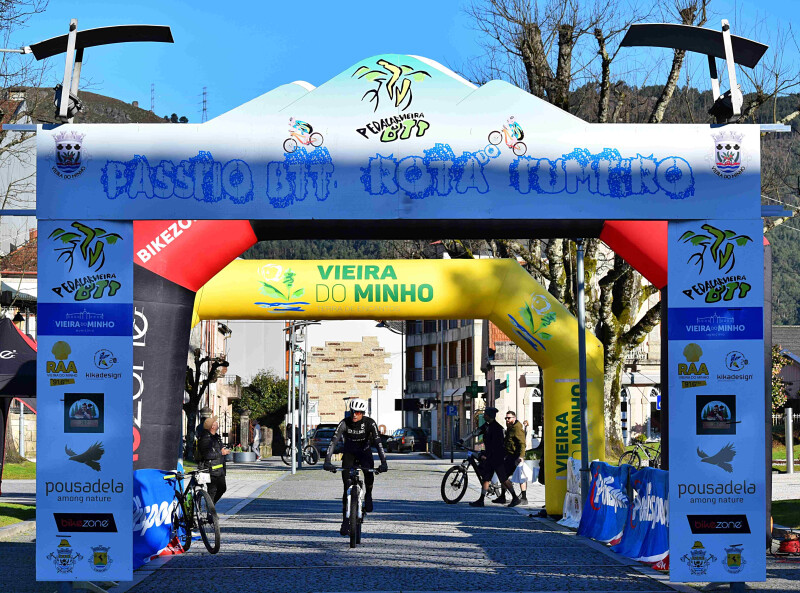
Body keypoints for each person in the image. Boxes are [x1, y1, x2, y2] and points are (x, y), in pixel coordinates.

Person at [323, 398, 388, 536]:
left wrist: (383, 462)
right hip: (349, 453)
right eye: (353, 411)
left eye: (358, 412)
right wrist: (327, 461)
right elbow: (333, 442)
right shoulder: (344, 423)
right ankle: (345, 521)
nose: (354, 415)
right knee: (346, 486)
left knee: (369, 473)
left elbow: (378, 443)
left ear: (363, 413)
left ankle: (369, 494)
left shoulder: (370, 423)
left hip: (365, 453)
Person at [467, 407, 520, 507]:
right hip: (490, 457)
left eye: (485, 415)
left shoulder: (497, 428)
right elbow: (476, 432)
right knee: (486, 478)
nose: (484, 416)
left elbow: (497, 446)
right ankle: (481, 499)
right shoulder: (486, 425)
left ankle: (515, 498)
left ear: (489, 416)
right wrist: (463, 440)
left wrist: (486, 455)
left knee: (503, 479)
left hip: (497, 458)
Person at [492, 411, 527, 506]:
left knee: (519, 476)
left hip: (515, 456)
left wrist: (521, 456)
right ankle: (503, 496)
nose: (507, 420)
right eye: (506, 418)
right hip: (509, 455)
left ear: (514, 418)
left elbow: (522, 443)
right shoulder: (510, 427)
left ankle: (523, 497)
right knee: (504, 476)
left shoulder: (517, 428)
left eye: (509, 418)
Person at [198, 416, 230, 505]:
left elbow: (219, 449)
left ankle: (210, 506)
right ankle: (210, 510)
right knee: (212, 491)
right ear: (212, 426)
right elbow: (206, 455)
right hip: (211, 469)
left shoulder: (216, 437)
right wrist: (221, 453)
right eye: (215, 422)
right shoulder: (205, 438)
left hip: (219, 469)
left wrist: (223, 449)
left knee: (222, 488)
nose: (217, 423)